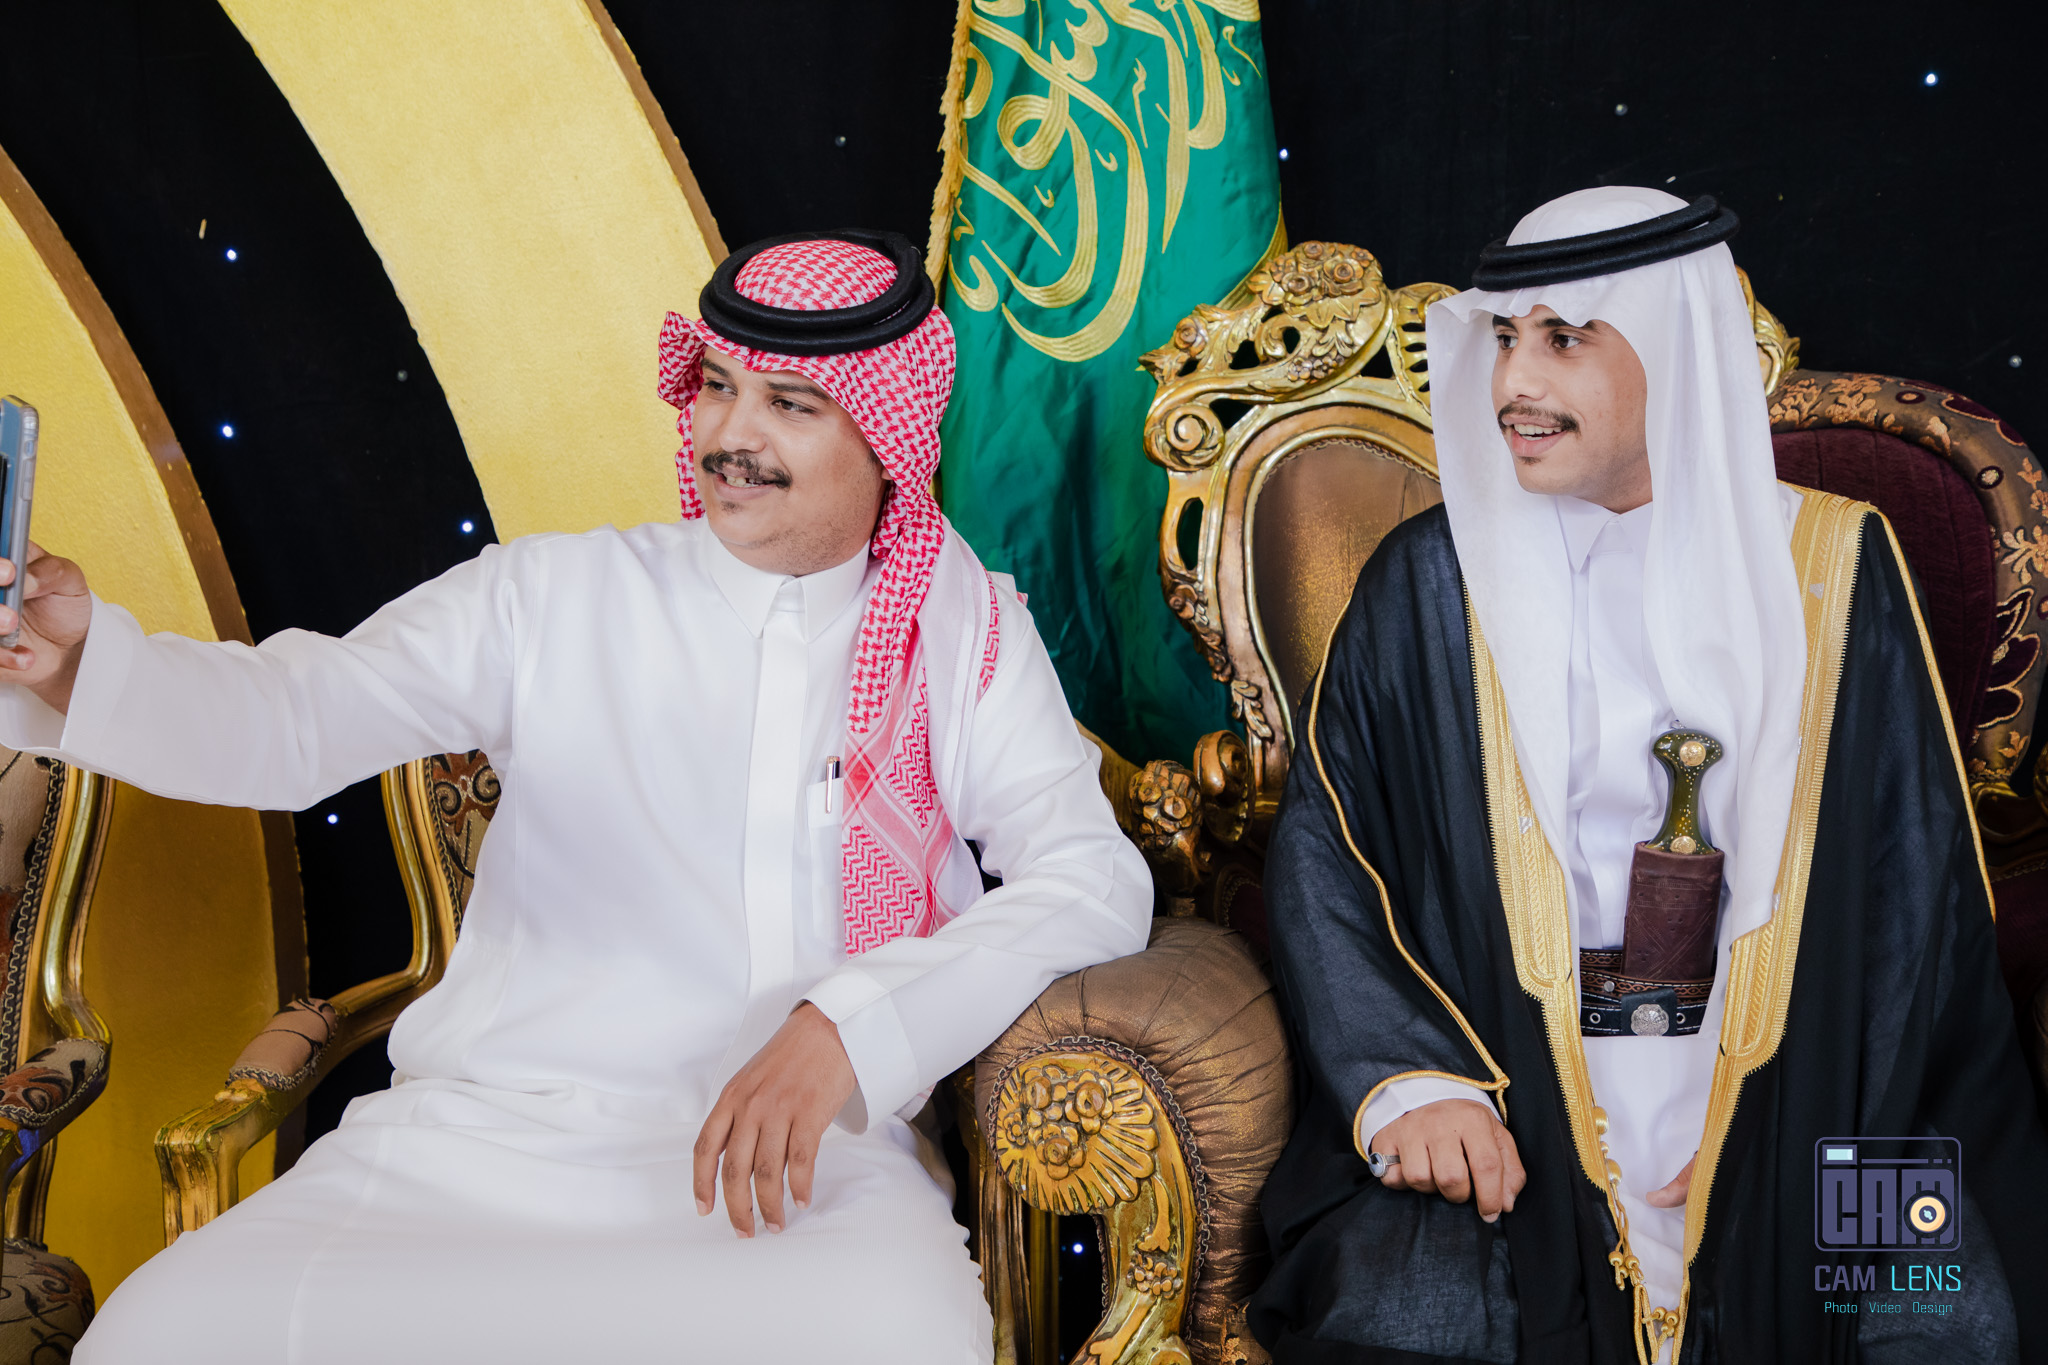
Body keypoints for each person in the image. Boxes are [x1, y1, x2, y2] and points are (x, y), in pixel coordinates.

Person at [0, 231, 1151, 1363]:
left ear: (888, 432)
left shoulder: (960, 630)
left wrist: (852, 1030)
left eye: (789, 405)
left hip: (803, 1172)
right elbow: (292, 723)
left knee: (888, 1340)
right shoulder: (553, 594)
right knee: (168, 1333)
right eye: (716, 387)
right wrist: (75, 662)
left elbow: (1089, 878)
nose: (730, 436)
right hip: (475, 1151)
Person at [1246, 188, 2048, 1364]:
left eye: (1563, 340)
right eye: (1503, 338)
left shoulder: (1831, 565)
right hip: (1503, 1082)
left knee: (1939, 1314)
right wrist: (1408, 1084)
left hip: (1802, 1081)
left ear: (1671, 354)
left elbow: (1907, 895)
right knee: (1403, 1316)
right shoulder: (1427, 581)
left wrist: (1785, 1123)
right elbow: (1328, 852)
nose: (1514, 383)